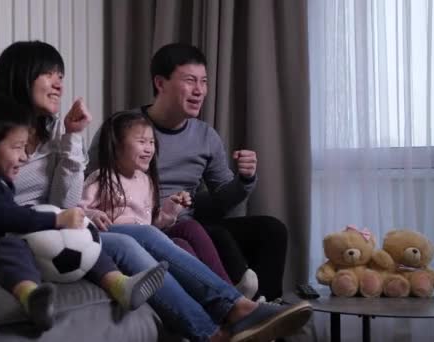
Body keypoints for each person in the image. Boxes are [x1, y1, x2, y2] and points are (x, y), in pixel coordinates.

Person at [0, 40, 310, 341]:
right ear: (20, 76)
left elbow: (65, 202)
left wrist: (73, 140)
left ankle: (237, 307)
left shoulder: (50, 137)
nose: (60, 81)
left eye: (61, 73)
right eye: (48, 73)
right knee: (127, 245)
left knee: (145, 233)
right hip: (17, 235)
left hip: (51, 228)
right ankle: (208, 331)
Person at [0, 94, 168, 330]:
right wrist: (55, 219)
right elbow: (3, 216)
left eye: (25, 147)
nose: (24, 156)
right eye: (17, 148)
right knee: (11, 247)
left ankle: (120, 285)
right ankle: (31, 296)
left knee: (82, 240)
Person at [88, 43, 287, 302]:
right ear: (160, 83)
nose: (199, 90)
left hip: (187, 222)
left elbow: (223, 198)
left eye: (204, 82)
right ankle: (243, 304)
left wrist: (244, 179)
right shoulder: (124, 129)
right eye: (190, 81)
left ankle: (269, 310)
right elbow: (93, 181)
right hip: (143, 224)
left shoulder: (206, 136)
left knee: (271, 229)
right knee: (210, 232)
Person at [80, 111, 258, 299]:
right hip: (128, 246)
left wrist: (169, 212)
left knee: (188, 229)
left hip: (150, 239)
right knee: (179, 240)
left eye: (151, 142)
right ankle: (222, 297)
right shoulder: (101, 178)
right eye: (141, 142)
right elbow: (78, 211)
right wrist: (92, 215)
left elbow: (150, 224)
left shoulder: (146, 181)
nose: (149, 149)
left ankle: (224, 292)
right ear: (117, 146)